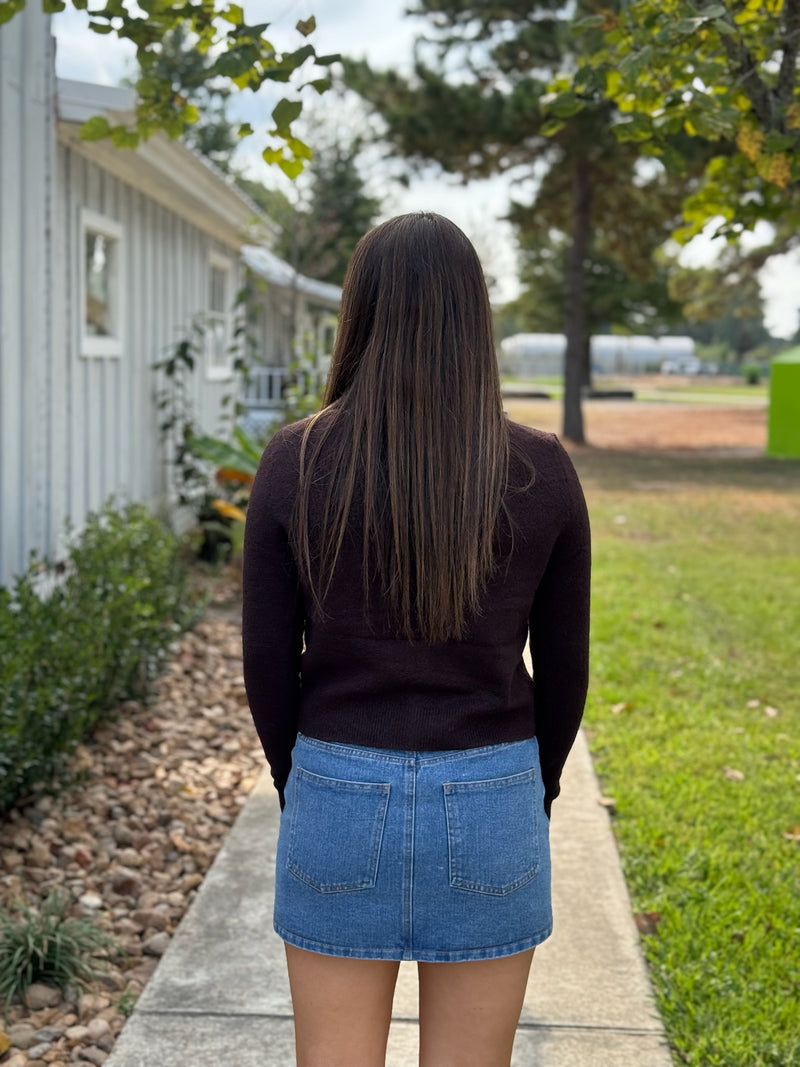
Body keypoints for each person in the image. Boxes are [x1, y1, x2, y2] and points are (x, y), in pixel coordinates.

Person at [242, 212, 590, 1067]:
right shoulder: (541, 470)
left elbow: (265, 665)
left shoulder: (294, 461)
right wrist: (527, 789)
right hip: (493, 794)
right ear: (476, 320)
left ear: (359, 315)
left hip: (335, 788)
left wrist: (306, 781)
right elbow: (567, 670)